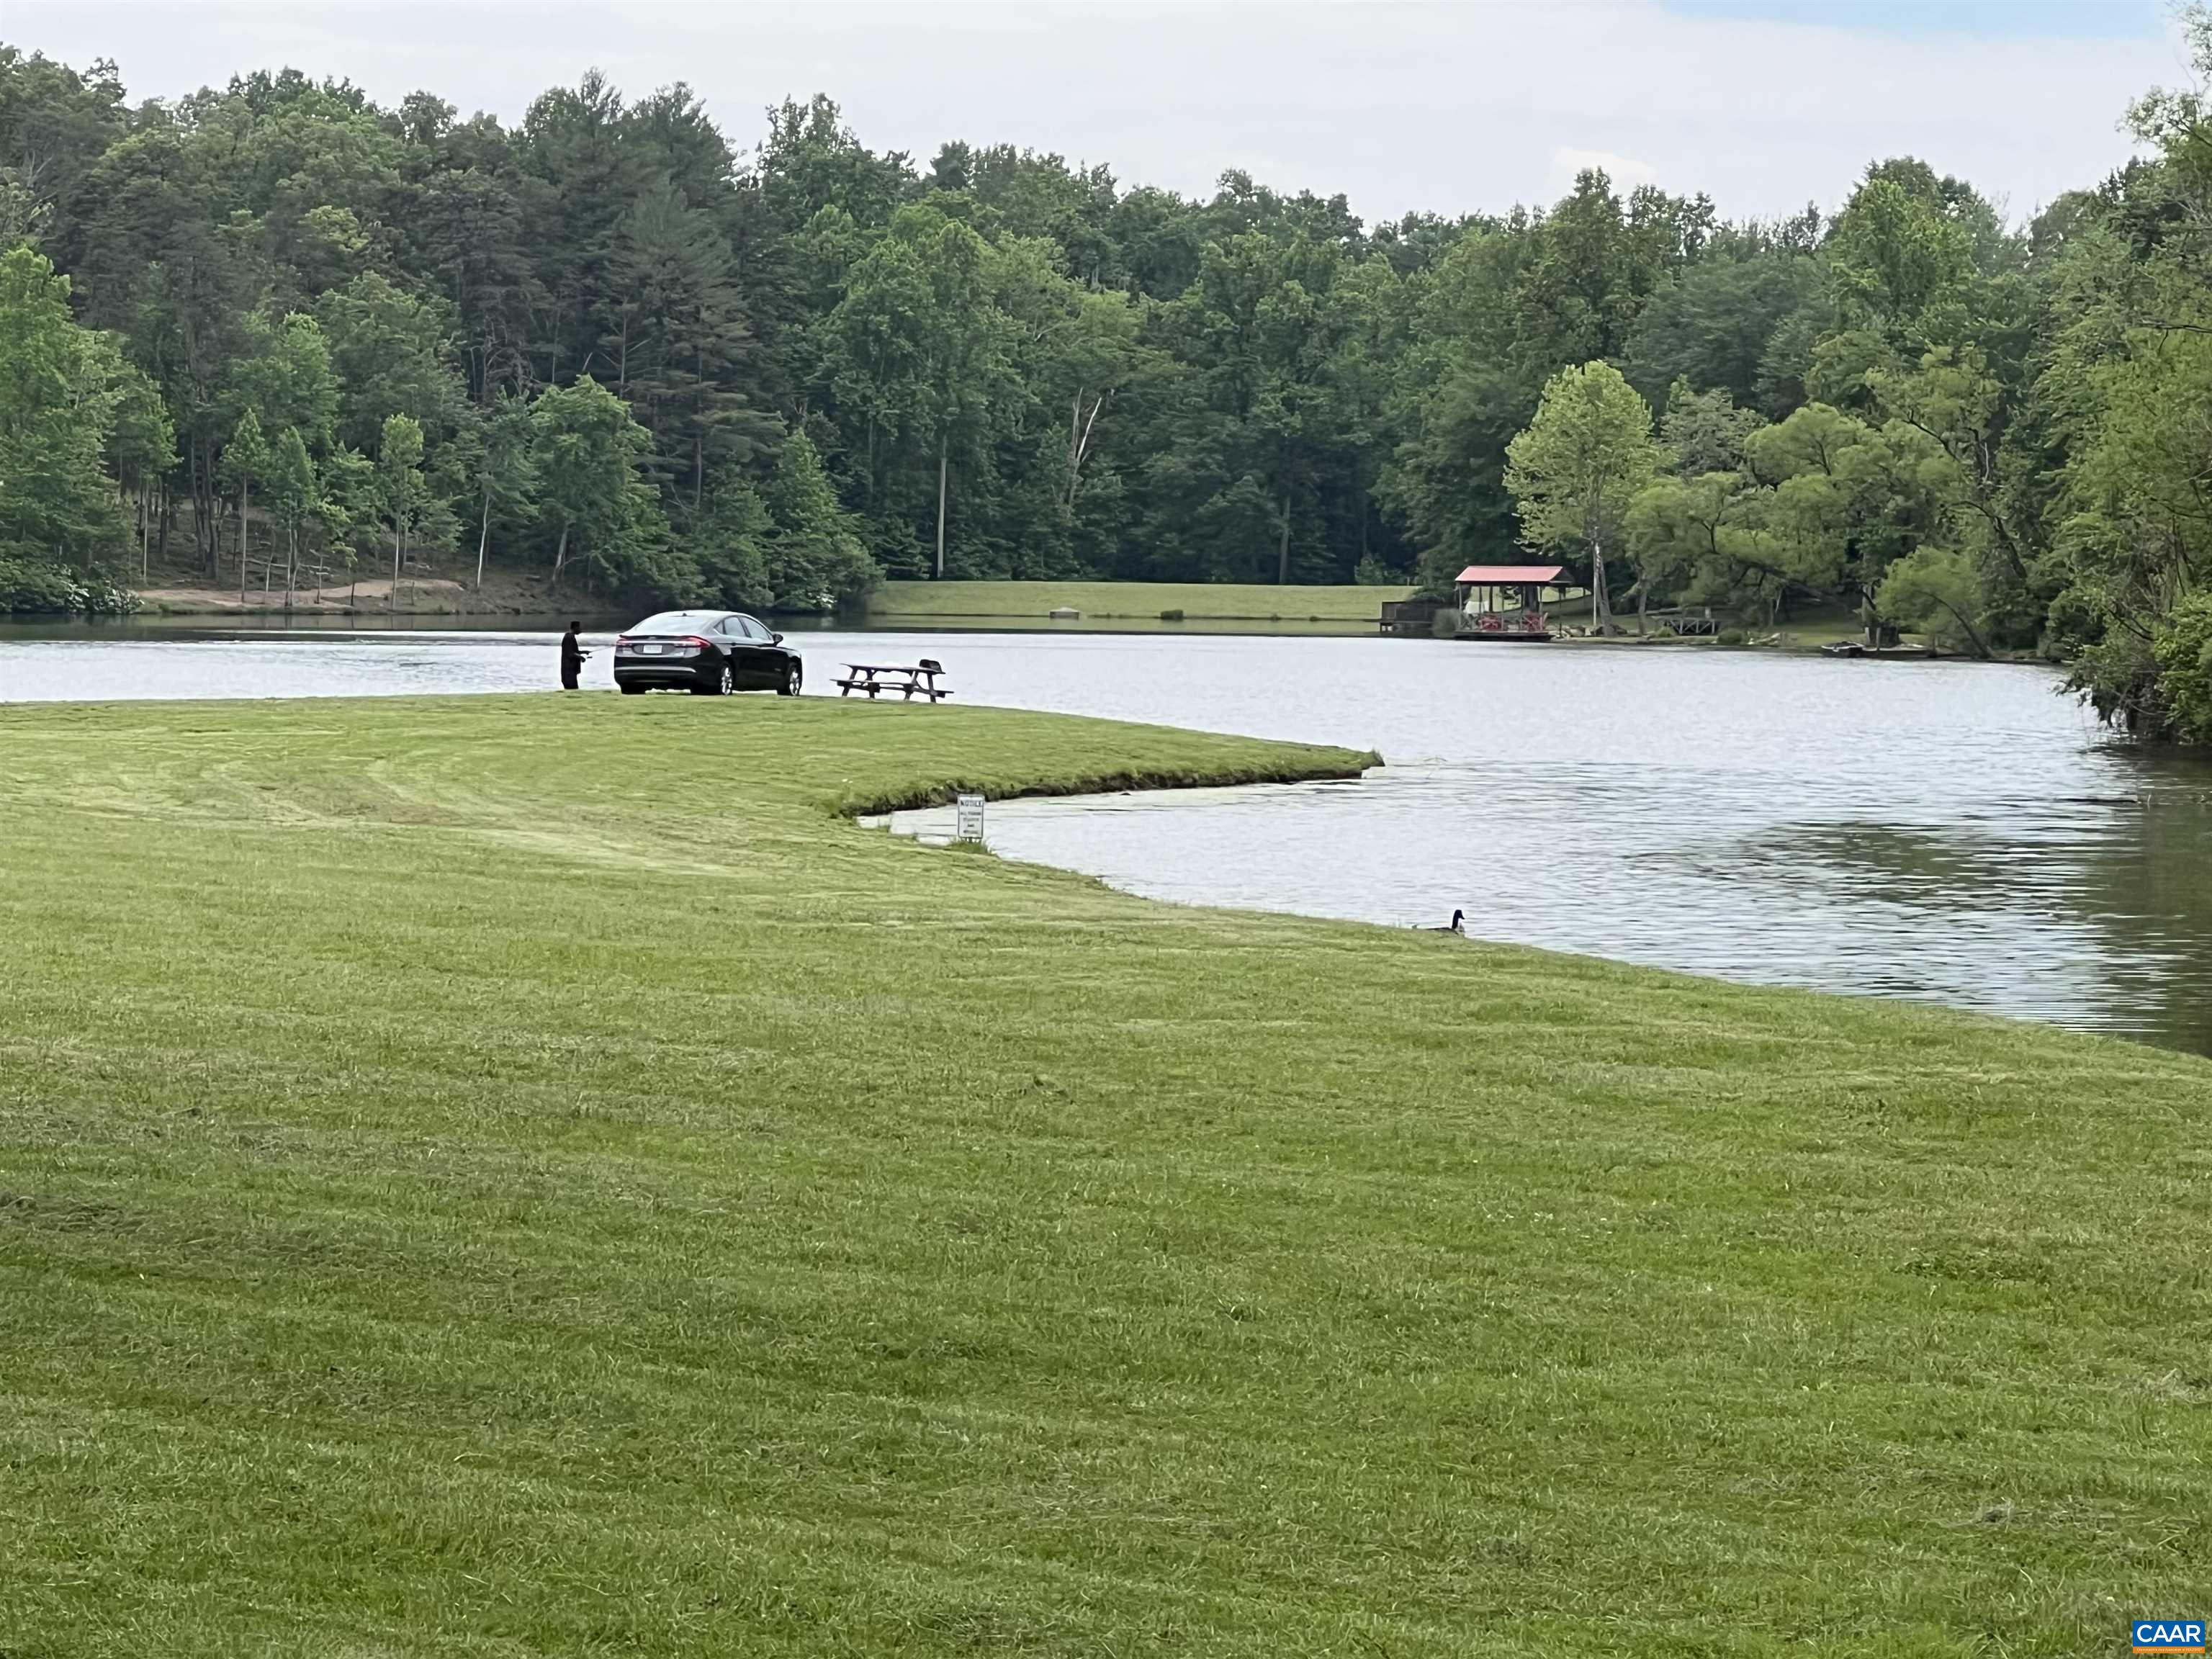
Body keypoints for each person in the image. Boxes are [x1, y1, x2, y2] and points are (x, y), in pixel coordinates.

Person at [559, 621, 588, 691]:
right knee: (573, 689)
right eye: (579, 628)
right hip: (568, 671)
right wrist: (581, 657)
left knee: (573, 689)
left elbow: (573, 652)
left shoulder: (570, 636)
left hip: (570, 670)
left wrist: (584, 652)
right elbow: (570, 653)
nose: (581, 630)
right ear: (575, 628)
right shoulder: (569, 637)